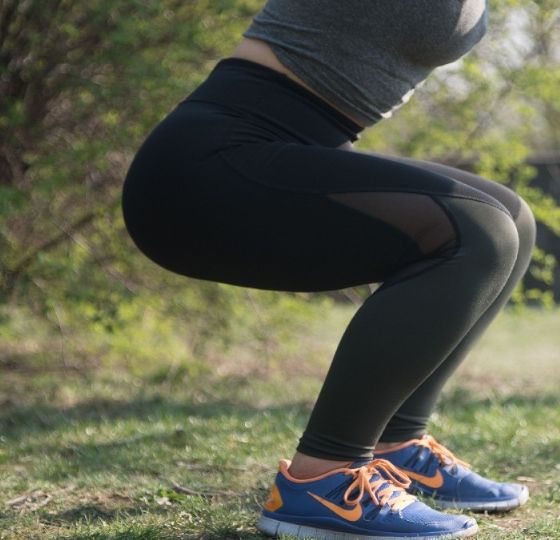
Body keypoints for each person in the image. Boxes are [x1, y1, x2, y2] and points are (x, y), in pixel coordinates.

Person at [120, 0, 536, 538]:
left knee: (513, 220)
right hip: (204, 167)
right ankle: (323, 479)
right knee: (475, 233)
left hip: (274, 150)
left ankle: (397, 445)